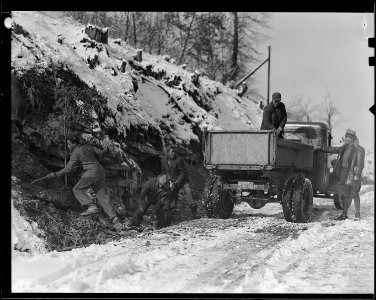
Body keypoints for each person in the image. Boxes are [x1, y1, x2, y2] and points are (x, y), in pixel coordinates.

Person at [44, 133, 122, 225]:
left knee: (77, 189)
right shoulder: (87, 146)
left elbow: (68, 169)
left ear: (74, 143)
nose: (68, 146)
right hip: (100, 171)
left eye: (69, 144)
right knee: (102, 195)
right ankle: (114, 219)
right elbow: (101, 153)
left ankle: (91, 206)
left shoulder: (75, 153)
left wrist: (54, 174)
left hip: (91, 173)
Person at [320, 129, 357, 220]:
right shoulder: (346, 146)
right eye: (346, 136)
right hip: (342, 172)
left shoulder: (354, 148)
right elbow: (336, 149)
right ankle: (344, 213)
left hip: (347, 173)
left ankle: (344, 214)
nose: (345, 138)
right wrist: (322, 148)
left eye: (347, 137)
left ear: (352, 138)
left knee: (345, 193)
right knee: (342, 192)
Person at [160, 145, 200, 219]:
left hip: (182, 180)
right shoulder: (163, 160)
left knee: (188, 192)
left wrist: (177, 182)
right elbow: (164, 173)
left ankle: (194, 214)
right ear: (167, 153)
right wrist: (164, 183)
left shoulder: (179, 160)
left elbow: (183, 173)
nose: (174, 153)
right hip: (171, 180)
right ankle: (169, 214)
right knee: (170, 195)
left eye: (174, 151)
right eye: (172, 152)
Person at [347, 137, 365, 220]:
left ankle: (357, 214)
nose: (355, 143)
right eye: (354, 142)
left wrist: (357, 174)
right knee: (350, 194)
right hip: (350, 175)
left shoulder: (360, 150)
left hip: (355, 176)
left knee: (355, 194)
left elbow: (360, 163)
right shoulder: (352, 150)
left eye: (356, 141)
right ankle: (346, 213)